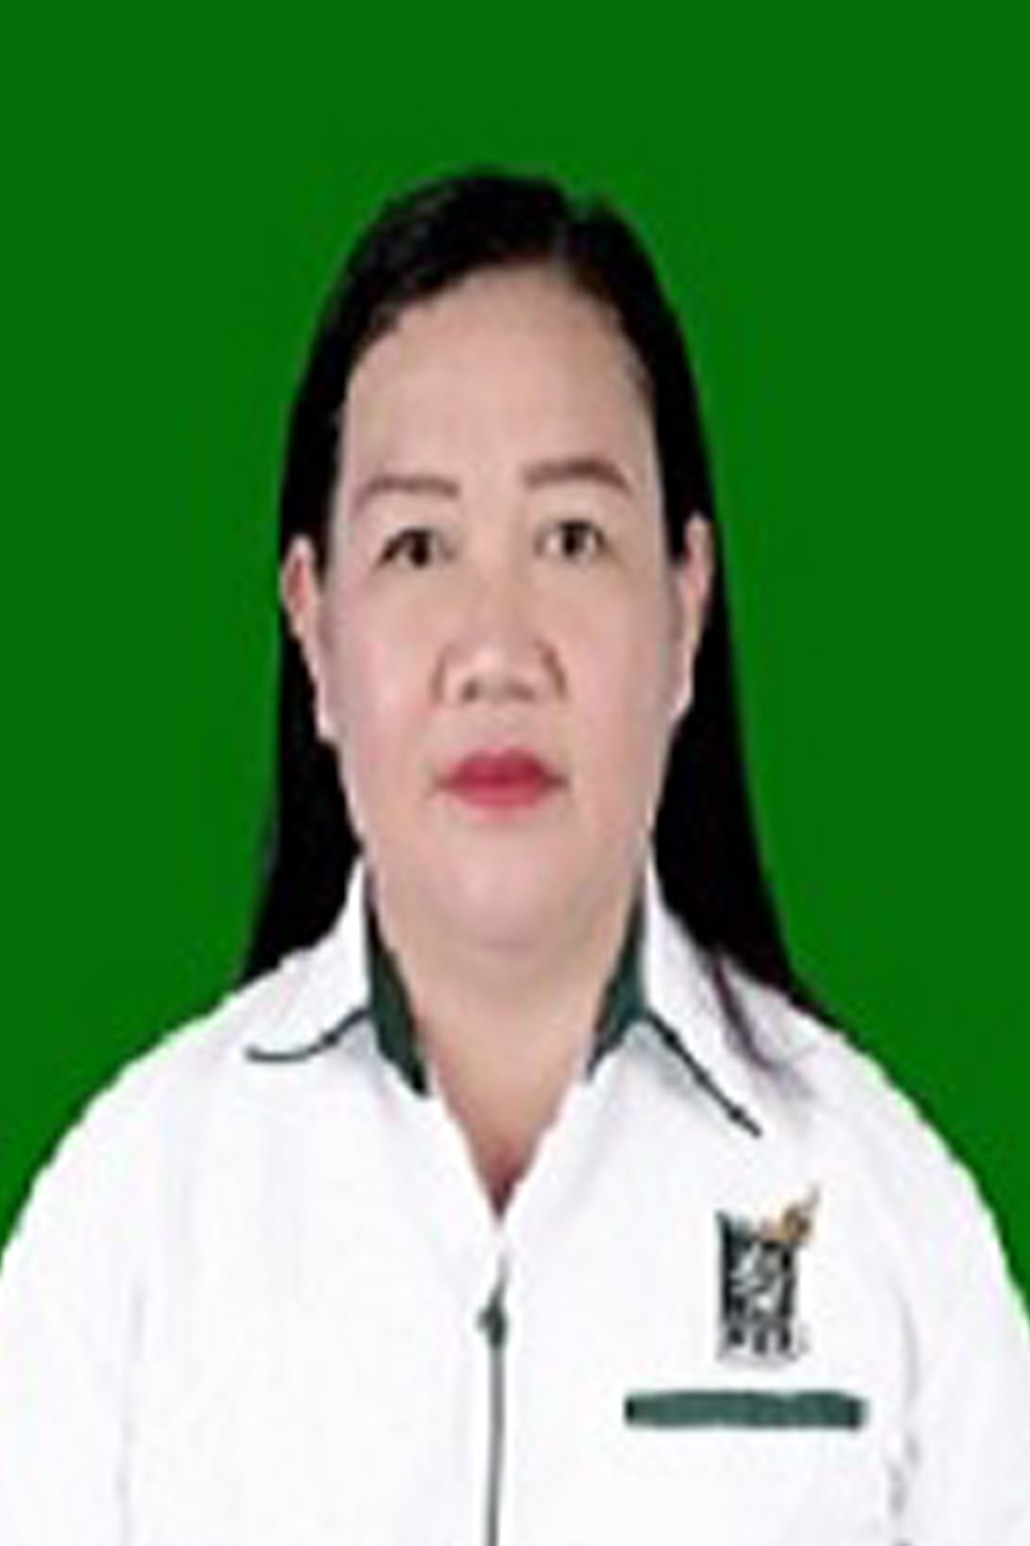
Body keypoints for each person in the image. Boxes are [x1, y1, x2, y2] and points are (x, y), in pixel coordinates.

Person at [0, 169, 1027, 1545]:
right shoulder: (125, 1223)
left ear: (685, 607)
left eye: (572, 537)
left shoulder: (891, 1226)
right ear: (314, 627)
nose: (495, 648)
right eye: (418, 545)